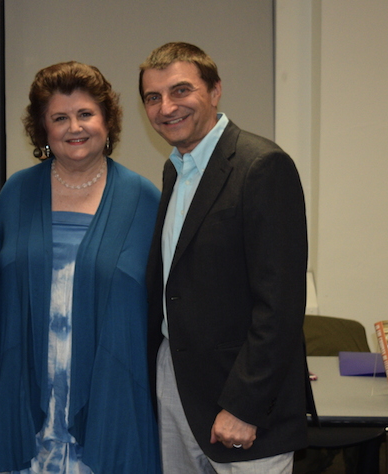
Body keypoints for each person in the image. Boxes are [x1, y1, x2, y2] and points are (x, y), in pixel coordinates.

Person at [140, 42, 310, 473]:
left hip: (242, 404)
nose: (166, 107)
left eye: (181, 91)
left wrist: (244, 406)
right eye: (153, 97)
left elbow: (281, 306)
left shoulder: (262, 167)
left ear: (215, 91)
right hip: (178, 387)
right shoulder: (175, 170)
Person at [0, 61, 161, 474]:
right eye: (59, 118)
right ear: (42, 129)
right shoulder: (16, 193)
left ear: (107, 120)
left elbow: (166, 302)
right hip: (28, 395)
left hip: (112, 397)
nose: (74, 127)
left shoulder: (143, 199)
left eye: (85, 114)